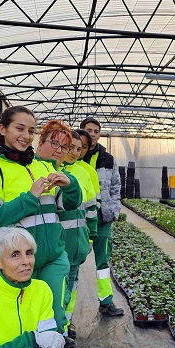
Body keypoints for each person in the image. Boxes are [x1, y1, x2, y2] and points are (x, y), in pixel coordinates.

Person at [0, 109, 81, 348]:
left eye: (30, 131)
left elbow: (68, 203)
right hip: (19, 262)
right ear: (2, 129)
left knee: (55, 318)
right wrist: (30, 196)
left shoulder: (44, 167)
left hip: (53, 258)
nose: (25, 136)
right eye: (19, 129)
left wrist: (70, 185)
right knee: (21, 322)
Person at [81, 117, 124, 316]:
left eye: (96, 131)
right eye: (88, 130)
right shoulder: (73, 154)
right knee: (72, 263)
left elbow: (116, 186)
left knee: (103, 262)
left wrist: (114, 209)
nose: (92, 134)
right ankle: (65, 311)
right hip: (79, 219)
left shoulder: (108, 159)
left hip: (102, 218)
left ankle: (106, 301)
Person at [60, 129, 98, 334]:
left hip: (77, 243)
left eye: (78, 148)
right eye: (69, 147)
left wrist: (91, 236)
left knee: (72, 286)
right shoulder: (53, 169)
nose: (74, 152)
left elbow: (91, 207)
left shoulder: (84, 173)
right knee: (58, 289)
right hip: (59, 244)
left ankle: (65, 328)